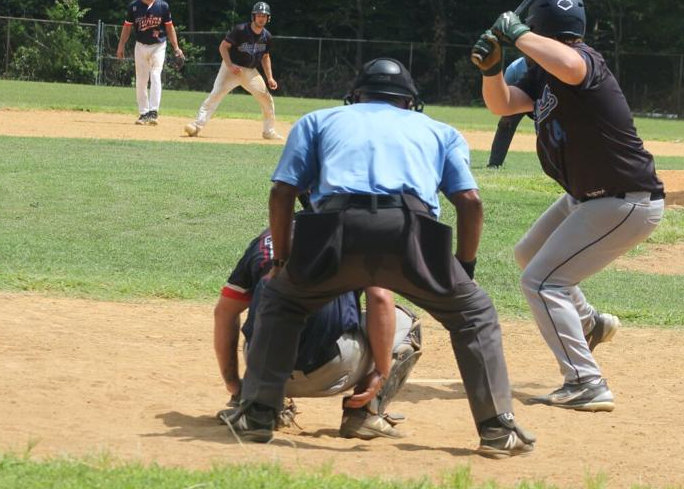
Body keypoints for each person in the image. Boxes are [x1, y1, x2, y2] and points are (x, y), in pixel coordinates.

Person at [220, 57, 535, 459]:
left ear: (355, 96)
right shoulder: (440, 130)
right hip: (411, 231)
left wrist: (283, 262)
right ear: (410, 102)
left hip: (332, 227)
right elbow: (470, 202)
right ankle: (496, 429)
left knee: (283, 301)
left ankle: (257, 414)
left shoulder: (318, 120)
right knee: (474, 314)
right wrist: (463, 269)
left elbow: (283, 193)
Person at [471, 0, 665, 412]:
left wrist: (517, 33)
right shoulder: (541, 74)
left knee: (542, 282)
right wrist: (491, 70)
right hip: (590, 197)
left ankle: (586, 381)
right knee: (529, 255)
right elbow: (502, 105)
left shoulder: (585, 61)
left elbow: (571, 65)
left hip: (623, 200)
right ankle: (589, 324)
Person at [214, 228, 422, 439]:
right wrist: (381, 371)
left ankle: (259, 405)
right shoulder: (357, 236)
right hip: (331, 370)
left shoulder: (267, 239)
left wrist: (235, 386)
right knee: (407, 322)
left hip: (264, 371)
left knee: (269, 323)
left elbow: (224, 313)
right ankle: (364, 414)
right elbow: (379, 298)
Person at [185, 2, 282, 140]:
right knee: (216, 95)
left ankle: (269, 131)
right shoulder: (241, 30)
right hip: (232, 69)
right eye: (259, 15)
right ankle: (196, 125)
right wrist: (229, 65)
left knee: (266, 99)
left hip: (250, 72)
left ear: (268, 18)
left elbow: (265, 57)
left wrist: (270, 77)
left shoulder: (267, 36)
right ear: (253, 16)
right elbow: (223, 47)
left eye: (264, 16)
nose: (261, 18)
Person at [115, 0, 184, 126]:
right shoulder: (134, 6)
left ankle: (153, 112)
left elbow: (169, 27)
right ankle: (143, 113)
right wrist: (121, 46)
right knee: (140, 80)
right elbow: (127, 27)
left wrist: (176, 47)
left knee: (155, 74)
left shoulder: (163, 6)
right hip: (140, 46)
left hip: (158, 46)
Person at [486, 57, 528, 168]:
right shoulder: (514, 68)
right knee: (504, 125)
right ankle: (494, 163)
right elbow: (505, 94)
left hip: (541, 100)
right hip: (519, 100)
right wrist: (506, 115)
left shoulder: (545, 64)